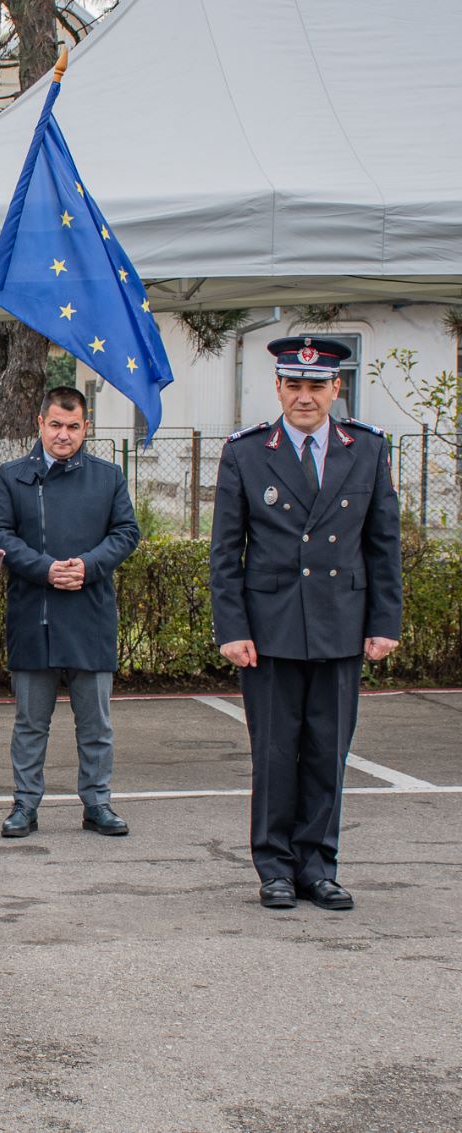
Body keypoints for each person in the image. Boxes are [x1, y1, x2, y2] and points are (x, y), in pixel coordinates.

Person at [209, 336, 401, 912]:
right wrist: (232, 628)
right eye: (293, 385)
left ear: (336, 388)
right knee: (273, 752)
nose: (304, 397)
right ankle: (274, 867)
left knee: (326, 751)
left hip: (341, 622)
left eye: (316, 386)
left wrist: (383, 620)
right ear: (278, 388)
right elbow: (226, 552)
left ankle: (318, 866)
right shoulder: (246, 453)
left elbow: (382, 542)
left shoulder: (365, 449)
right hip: (269, 630)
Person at [0, 386, 140, 839]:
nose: (63, 435)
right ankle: (25, 806)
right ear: (40, 423)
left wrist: (88, 566)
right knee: (31, 723)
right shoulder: (13, 476)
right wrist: (46, 569)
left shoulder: (108, 476)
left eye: (73, 427)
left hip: (89, 615)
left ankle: (98, 804)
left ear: (86, 428)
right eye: (55, 425)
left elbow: (126, 532)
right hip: (34, 615)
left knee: (95, 724)